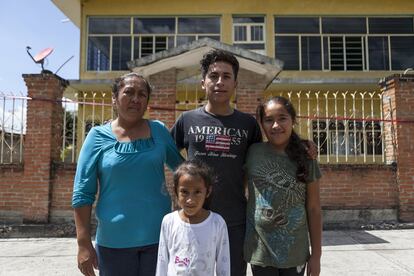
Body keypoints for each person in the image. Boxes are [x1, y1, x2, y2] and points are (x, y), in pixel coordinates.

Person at [72, 72, 184, 276]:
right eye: (129, 92)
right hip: (114, 244)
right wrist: (83, 244)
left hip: (159, 240)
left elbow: (184, 173)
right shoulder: (97, 137)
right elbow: (82, 194)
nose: (135, 99)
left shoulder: (159, 131)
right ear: (115, 98)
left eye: (142, 94)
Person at [171, 49, 262, 276]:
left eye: (226, 76)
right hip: (193, 219)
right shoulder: (187, 120)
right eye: (213, 76)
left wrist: (302, 146)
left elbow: (265, 157)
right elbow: (165, 154)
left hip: (234, 220)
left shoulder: (248, 124)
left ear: (235, 83)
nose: (219, 82)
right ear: (203, 82)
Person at [244, 96, 322, 276]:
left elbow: (314, 208)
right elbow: (241, 190)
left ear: (293, 121)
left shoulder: (306, 156)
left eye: (282, 118)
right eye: (269, 120)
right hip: (260, 252)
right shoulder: (253, 152)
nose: (276, 125)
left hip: (295, 253)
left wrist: (316, 256)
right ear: (261, 124)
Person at [156, 160, 230, 276]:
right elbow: (162, 262)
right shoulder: (169, 221)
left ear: (208, 191)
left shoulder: (217, 223)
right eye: (184, 192)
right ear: (176, 191)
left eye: (197, 192)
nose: (190, 200)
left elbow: (223, 266)